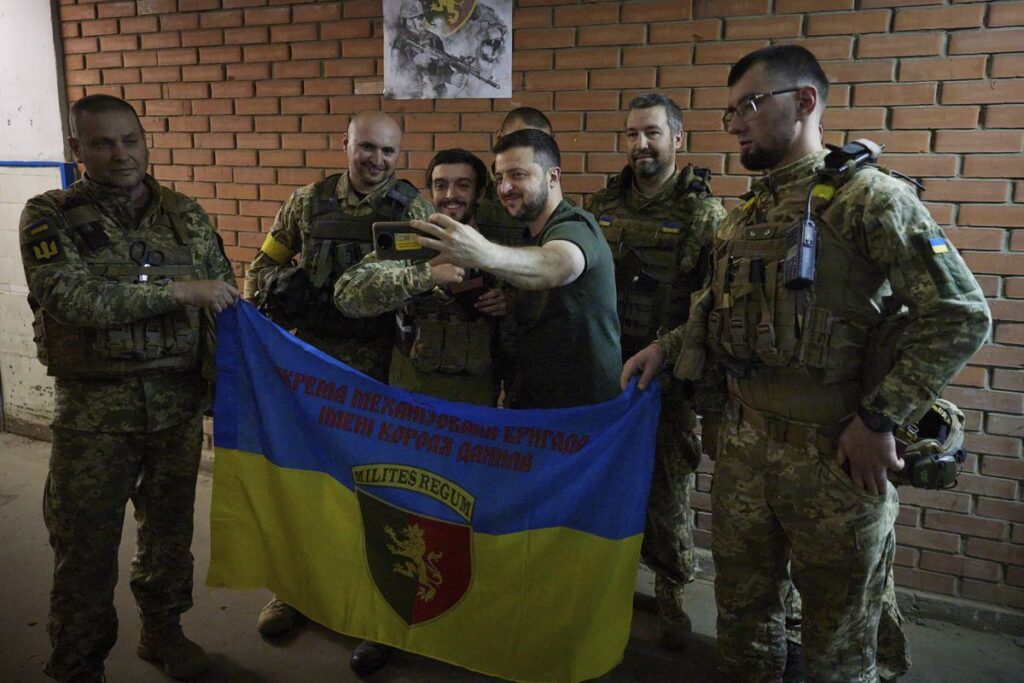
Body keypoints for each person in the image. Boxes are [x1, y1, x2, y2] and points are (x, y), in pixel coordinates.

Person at [622, 45, 989, 682]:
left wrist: (879, 419)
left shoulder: (868, 199)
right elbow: (715, 308)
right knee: (743, 623)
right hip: (745, 452)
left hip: (837, 461)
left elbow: (961, 313)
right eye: (730, 112)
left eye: (750, 106)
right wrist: (665, 348)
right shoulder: (748, 215)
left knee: (838, 645)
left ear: (806, 102)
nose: (736, 124)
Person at [20, 94, 239, 682]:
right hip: (94, 415)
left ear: (146, 141)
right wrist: (176, 292)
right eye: (102, 143)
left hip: (175, 409)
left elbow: (224, 301)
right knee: (85, 546)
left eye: (130, 140)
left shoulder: (186, 214)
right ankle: (77, 662)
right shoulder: (48, 214)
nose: (121, 154)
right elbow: (69, 297)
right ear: (77, 150)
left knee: (170, 536)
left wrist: (231, 384)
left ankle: (163, 631)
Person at [244, 110, 433, 637]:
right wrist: (277, 302)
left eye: (388, 152)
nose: (376, 160)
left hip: (380, 372)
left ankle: (367, 597)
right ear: (344, 143)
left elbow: (421, 282)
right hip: (311, 365)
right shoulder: (307, 202)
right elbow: (261, 267)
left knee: (371, 487)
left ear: (400, 155)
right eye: (366, 147)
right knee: (305, 481)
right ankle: (293, 592)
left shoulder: (411, 209)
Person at [334, 148, 510, 676]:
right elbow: (349, 295)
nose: (450, 195)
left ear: (480, 193)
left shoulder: (504, 244)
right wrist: (425, 275)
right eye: (440, 184)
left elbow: (551, 304)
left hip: (475, 415)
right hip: (409, 411)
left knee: (468, 523)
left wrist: (512, 304)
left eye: (462, 185)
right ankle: (385, 629)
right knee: (397, 519)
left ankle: (461, 624)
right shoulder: (410, 238)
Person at [585, 92, 726, 650]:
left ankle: (670, 591)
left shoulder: (702, 213)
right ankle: (605, 583)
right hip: (605, 372)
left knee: (668, 490)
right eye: (631, 134)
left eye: (652, 133)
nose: (640, 144)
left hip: (669, 378)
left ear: (676, 139)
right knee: (603, 483)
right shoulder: (601, 205)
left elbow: (710, 304)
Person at [416, 129, 621, 409]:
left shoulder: (574, 225)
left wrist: (482, 253)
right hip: (537, 404)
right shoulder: (531, 235)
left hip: (582, 415)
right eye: (499, 178)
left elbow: (560, 264)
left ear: (553, 176)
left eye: (518, 175)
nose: (505, 188)